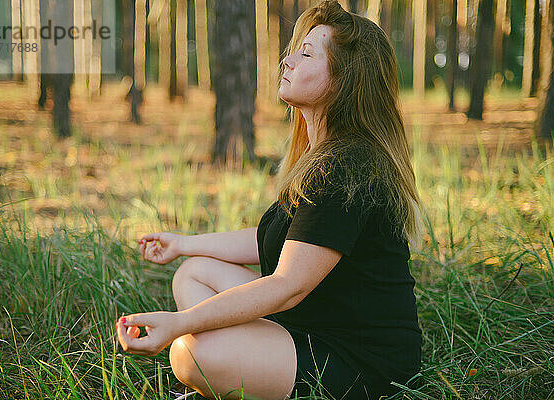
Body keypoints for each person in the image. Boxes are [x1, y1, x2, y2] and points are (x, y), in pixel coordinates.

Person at [115, 1, 424, 399]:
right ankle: (245, 370)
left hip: (361, 362)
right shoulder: (322, 155)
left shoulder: (347, 167)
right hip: (314, 321)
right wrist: (183, 243)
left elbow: (287, 286)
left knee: (189, 356)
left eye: (307, 53)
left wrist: (180, 324)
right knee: (193, 271)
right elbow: (276, 241)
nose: (288, 60)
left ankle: (234, 371)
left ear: (345, 80)